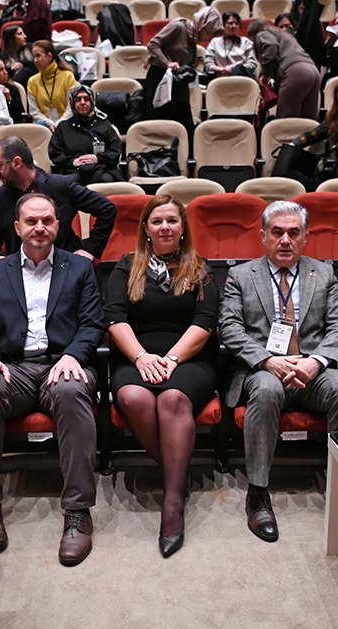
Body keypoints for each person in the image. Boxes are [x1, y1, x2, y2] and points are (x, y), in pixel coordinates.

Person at [0, 193, 105, 564]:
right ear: (17, 227)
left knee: (71, 390)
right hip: (14, 368)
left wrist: (73, 355)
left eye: (47, 220)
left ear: (58, 225)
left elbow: (93, 324)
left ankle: (77, 512)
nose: (39, 228)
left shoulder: (80, 268)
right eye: (31, 221)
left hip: (64, 363)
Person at [218, 201, 338, 543]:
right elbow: (229, 327)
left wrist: (317, 361)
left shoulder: (323, 274)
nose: (285, 240)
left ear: (305, 238)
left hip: (313, 367)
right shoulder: (242, 275)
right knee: (266, 391)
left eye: (293, 233)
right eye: (277, 232)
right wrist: (268, 361)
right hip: (265, 367)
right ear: (263, 236)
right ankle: (258, 493)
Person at [104, 195, 220, 558]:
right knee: (133, 397)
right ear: (146, 228)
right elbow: (115, 317)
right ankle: (178, 474)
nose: (165, 227)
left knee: (172, 399)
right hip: (135, 354)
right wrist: (141, 357)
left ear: (183, 227)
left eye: (172, 220)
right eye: (157, 221)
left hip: (189, 357)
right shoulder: (127, 266)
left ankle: (172, 504)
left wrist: (171, 358)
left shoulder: (199, 268)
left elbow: (205, 322)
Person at [0, 136, 116, 262]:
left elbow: (107, 209)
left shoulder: (61, 186)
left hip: (65, 268)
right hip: (19, 273)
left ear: (17, 163)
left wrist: (90, 249)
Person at [145, 8, 224, 136]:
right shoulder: (179, 27)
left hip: (178, 81)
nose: (211, 38)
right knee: (160, 122)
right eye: (211, 33)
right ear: (203, 26)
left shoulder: (193, 38)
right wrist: (168, 63)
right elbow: (153, 44)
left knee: (184, 123)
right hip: (160, 79)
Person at [48, 85, 123, 185]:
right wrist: (72, 162)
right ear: (72, 103)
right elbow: (54, 153)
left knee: (107, 181)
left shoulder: (104, 125)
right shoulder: (63, 127)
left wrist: (98, 158)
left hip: (102, 169)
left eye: (86, 99)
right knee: (69, 182)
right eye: (78, 99)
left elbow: (116, 151)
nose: (82, 102)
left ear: (92, 102)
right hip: (74, 170)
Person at [248, 19, 321, 120]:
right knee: (309, 121)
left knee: (286, 122)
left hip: (296, 72)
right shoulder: (283, 34)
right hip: (313, 70)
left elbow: (270, 46)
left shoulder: (263, 33)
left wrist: (265, 73)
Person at [26, 40, 77, 130]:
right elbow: (34, 111)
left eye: (38, 55)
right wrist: (50, 123)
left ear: (49, 56)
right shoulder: (32, 81)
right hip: (44, 126)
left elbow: (71, 107)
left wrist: (58, 124)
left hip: (66, 123)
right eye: (34, 57)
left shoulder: (67, 76)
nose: (35, 60)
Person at [204, 11, 258, 80]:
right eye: (230, 23)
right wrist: (223, 70)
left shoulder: (246, 42)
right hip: (220, 79)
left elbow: (252, 64)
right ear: (223, 25)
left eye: (236, 23)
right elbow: (208, 65)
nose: (234, 26)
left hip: (242, 78)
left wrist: (233, 67)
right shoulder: (215, 42)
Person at [0, 24, 36, 88]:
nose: (25, 36)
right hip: (18, 87)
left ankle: (9, 88)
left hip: (34, 81)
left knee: (25, 71)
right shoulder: (3, 56)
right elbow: (1, 74)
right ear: (11, 38)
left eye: (23, 33)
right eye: (20, 34)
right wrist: (11, 69)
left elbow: (36, 68)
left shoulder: (31, 47)